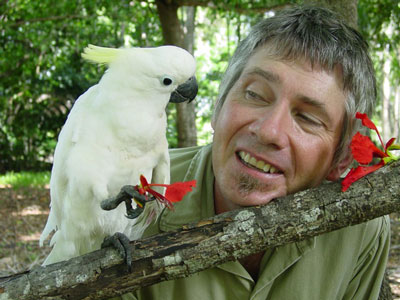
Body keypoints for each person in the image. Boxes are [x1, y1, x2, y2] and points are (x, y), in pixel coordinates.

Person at [112, 5, 390, 300]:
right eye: (255, 94)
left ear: (342, 158)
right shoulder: (129, 200)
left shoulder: (360, 226)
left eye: (307, 118)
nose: (269, 131)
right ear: (218, 106)